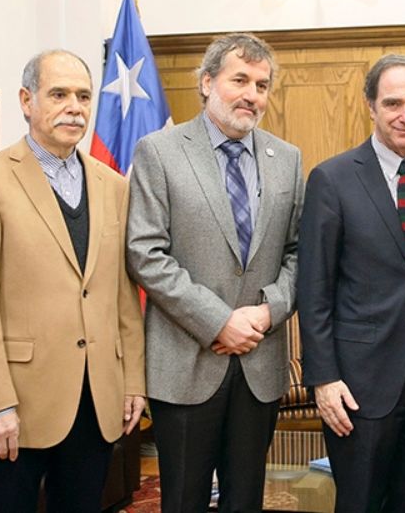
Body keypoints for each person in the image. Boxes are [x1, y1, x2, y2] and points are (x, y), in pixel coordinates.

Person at [0, 49, 146, 512]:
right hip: (15, 406)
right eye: (59, 94)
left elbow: (121, 295)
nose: (74, 107)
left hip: (95, 400)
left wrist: (132, 380)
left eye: (83, 96)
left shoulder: (113, 185)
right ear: (26, 100)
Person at [126, 33, 303, 512]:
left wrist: (267, 313)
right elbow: (146, 252)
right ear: (207, 83)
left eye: (262, 85)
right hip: (185, 363)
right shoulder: (158, 151)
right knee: (183, 500)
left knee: (245, 500)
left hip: (259, 365)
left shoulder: (287, 159)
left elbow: (298, 252)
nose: (252, 94)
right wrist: (219, 320)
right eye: (239, 80)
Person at [297, 53, 405, 512]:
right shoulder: (332, 179)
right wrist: (323, 378)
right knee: (361, 503)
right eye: (393, 102)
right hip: (359, 382)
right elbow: (314, 288)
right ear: (370, 106)